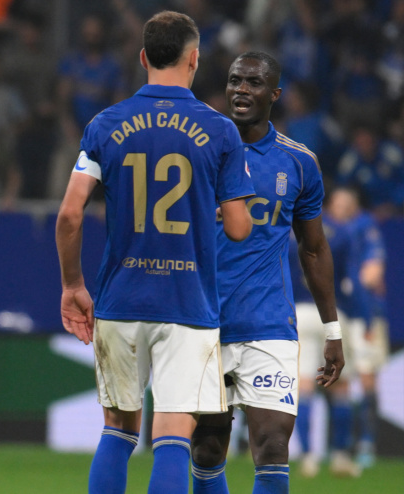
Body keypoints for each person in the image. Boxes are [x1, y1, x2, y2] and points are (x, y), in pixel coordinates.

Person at [55, 11, 254, 494]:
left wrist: (73, 284)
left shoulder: (105, 124)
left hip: (121, 298)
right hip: (187, 302)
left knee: (118, 430)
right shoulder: (220, 130)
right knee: (172, 435)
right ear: (194, 59)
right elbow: (238, 228)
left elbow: (70, 215)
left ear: (144, 58)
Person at [189, 52, 345, 494]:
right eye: (235, 80)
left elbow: (313, 249)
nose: (241, 89)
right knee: (207, 447)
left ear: (275, 94)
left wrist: (332, 330)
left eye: (254, 82)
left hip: (269, 324)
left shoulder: (299, 162)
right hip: (203, 322)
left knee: (274, 444)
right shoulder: (197, 150)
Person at [294, 187, 386, 478]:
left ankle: (308, 458)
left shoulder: (291, 232)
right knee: (342, 387)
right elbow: (353, 282)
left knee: (305, 386)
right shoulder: (344, 233)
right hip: (333, 314)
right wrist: (365, 320)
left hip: (299, 313)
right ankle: (340, 456)